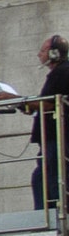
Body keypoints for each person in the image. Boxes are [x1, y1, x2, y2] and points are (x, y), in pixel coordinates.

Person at [31, 34, 69, 213]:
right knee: (42, 178)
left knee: (49, 180)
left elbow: (51, 103)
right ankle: (47, 215)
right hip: (51, 139)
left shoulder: (62, 72)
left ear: (54, 53)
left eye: (43, 50)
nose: (39, 55)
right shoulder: (60, 73)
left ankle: (51, 217)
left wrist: (16, 99)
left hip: (57, 139)